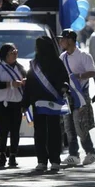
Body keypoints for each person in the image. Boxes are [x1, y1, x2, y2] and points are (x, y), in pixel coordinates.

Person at [22, 36, 69, 172]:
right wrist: (25, 102)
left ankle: (51, 160)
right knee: (43, 132)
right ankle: (44, 160)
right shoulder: (35, 64)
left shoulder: (56, 63)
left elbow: (64, 79)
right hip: (40, 102)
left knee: (50, 132)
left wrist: (64, 87)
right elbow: (29, 84)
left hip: (51, 102)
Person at [58, 29, 95, 167]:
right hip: (67, 96)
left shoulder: (83, 55)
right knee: (69, 126)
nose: (61, 41)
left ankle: (91, 152)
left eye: (63, 39)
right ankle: (73, 154)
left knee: (80, 125)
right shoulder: (62, 57)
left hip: (81, 95)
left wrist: (78, 76)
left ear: (70, 40)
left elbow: (93, 72)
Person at [0, 44, 27, 168]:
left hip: (16, 102)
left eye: (16, 51)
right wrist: (11, 84)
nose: (15, 53)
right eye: (12, 52)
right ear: (5, 54)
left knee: (15, 130)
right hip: (1, 103)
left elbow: (26, 83)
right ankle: (2, 154)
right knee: (3, 129)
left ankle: (13, 155)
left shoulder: (21, 68)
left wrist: (24, 83)